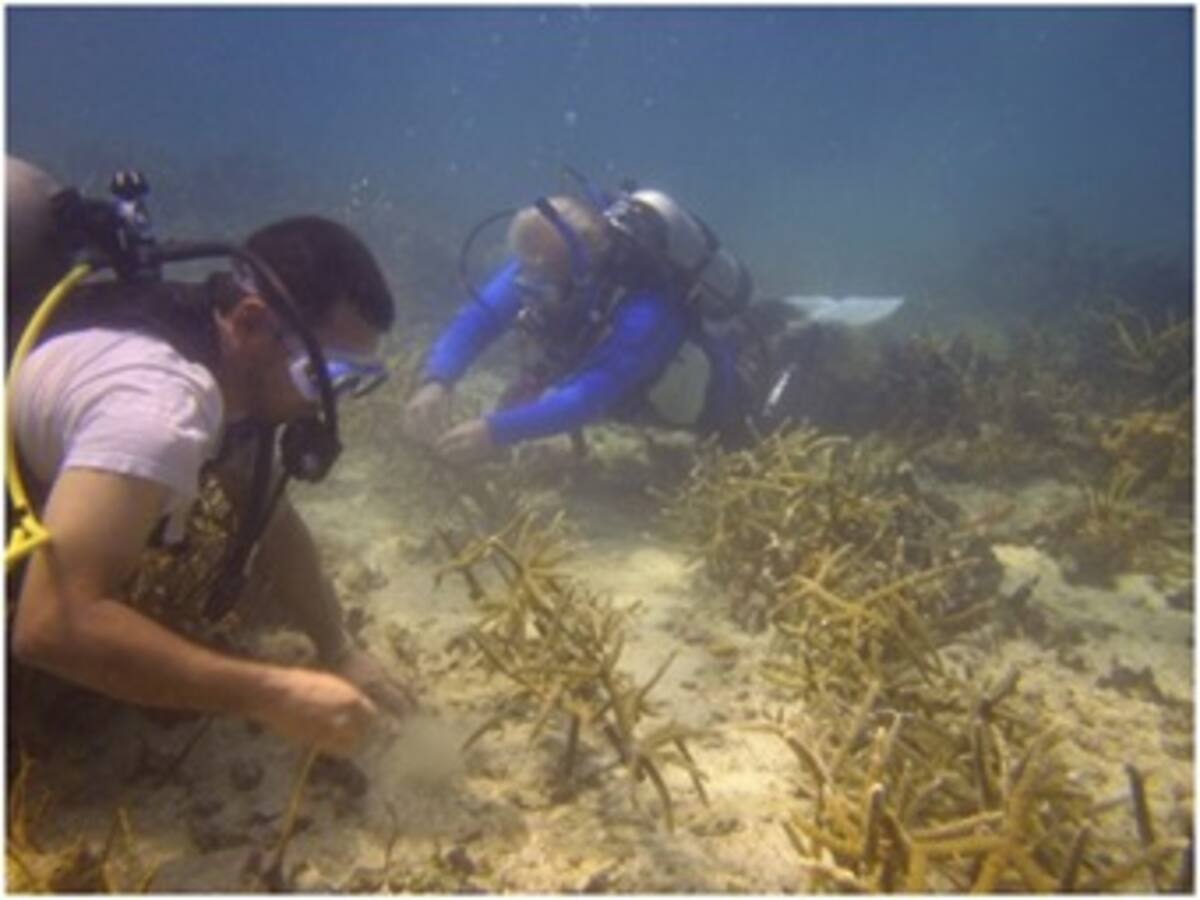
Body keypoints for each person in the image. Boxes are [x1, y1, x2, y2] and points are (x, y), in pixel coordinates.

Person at [7, 157, 414, 757]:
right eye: (326, 376)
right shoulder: (156, 412)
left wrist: (338, 648)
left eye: (357, 382)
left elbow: (270, 519)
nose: (327, 402)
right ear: (251, 322)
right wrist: (272, 693)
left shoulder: (225, 359)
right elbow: (52, 626)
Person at [403, 185, 770, 464]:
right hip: (629, 399)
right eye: (525, 267)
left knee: (762, 431)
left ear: (587, 268)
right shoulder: (543, 263)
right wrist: (438, 379)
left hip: (729, 399)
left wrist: (496, 431)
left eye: (547, 276)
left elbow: (587, 398)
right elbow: (480, 318)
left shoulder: (649, 311)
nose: (531, 285)